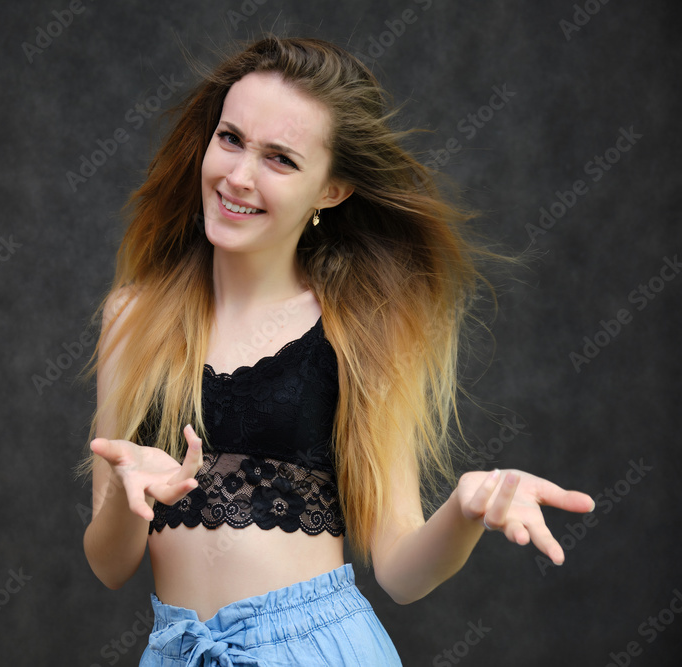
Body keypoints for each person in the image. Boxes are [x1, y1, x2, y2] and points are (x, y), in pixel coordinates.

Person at [78, 35, 594, 665]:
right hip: (179, 650)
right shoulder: (132, 317)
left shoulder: (360, 329)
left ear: (333, 190)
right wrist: (131, 502)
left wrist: (463, 509)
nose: (238, 175)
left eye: (281, 159)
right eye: (231, 139)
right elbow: (108, 565)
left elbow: (402, 572)